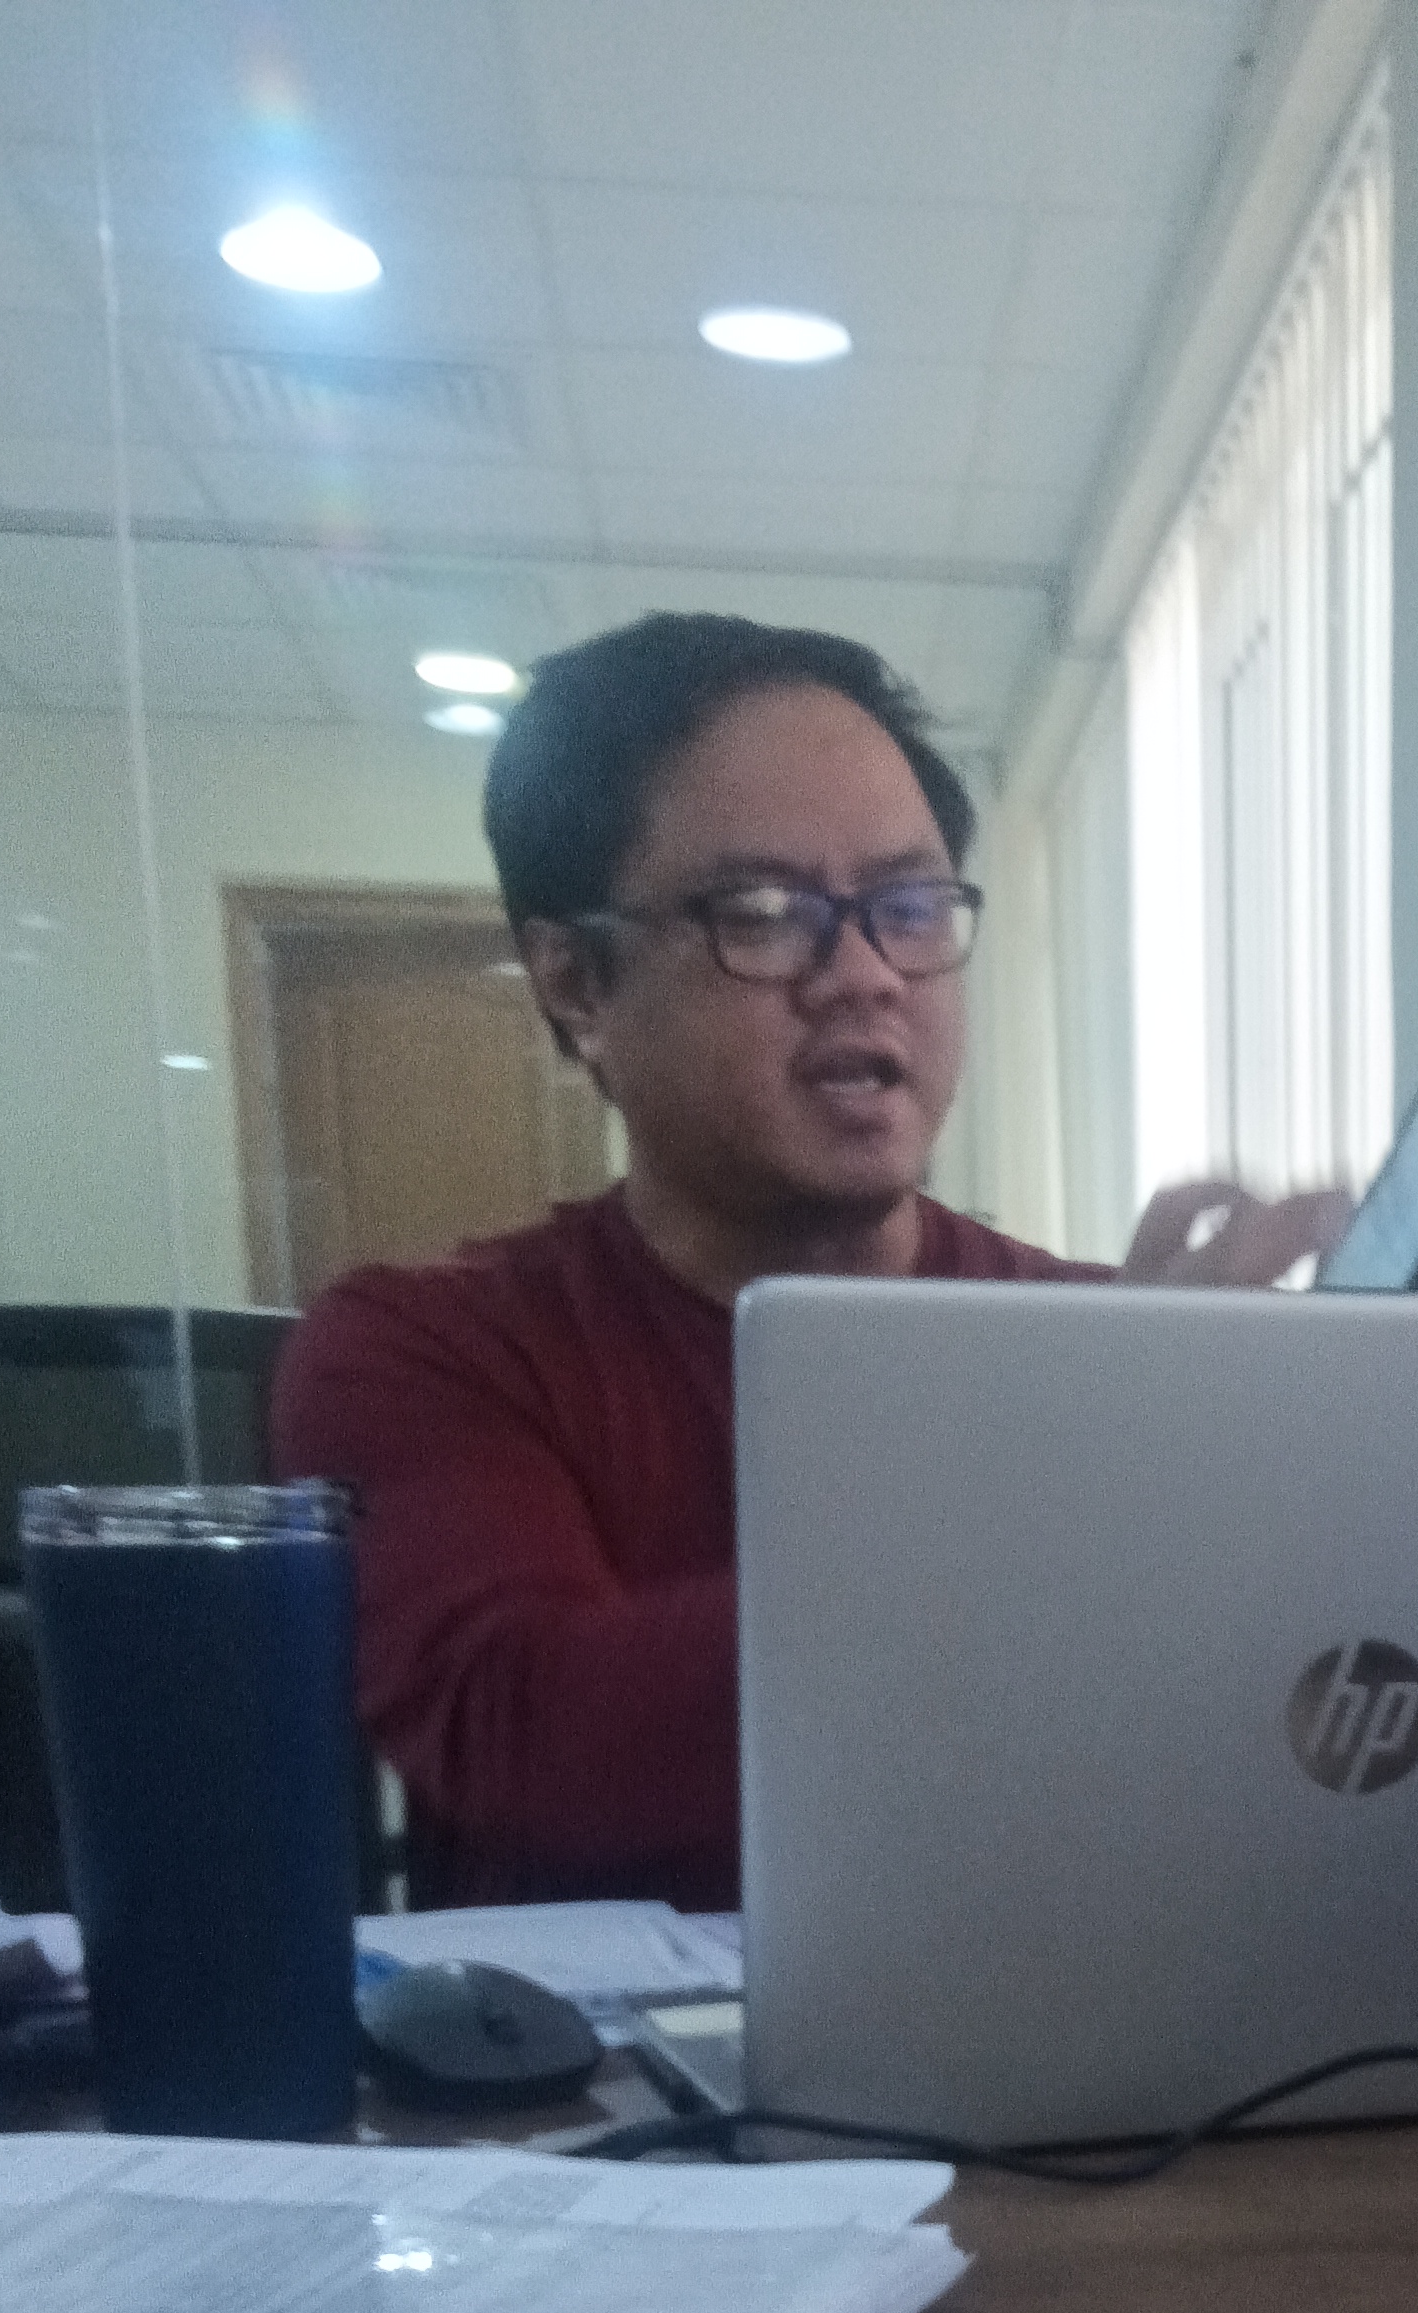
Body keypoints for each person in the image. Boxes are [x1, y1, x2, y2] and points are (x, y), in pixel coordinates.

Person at [273, 613, 1342, 1910]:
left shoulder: (1103, 1344)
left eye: (910, 907)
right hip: (636, 2045)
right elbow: (545, 1750)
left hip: (1073, 2015)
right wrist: (1084, 1459)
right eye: (765, 914)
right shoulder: (423, 1350)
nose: (866, 975)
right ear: (576, 985)